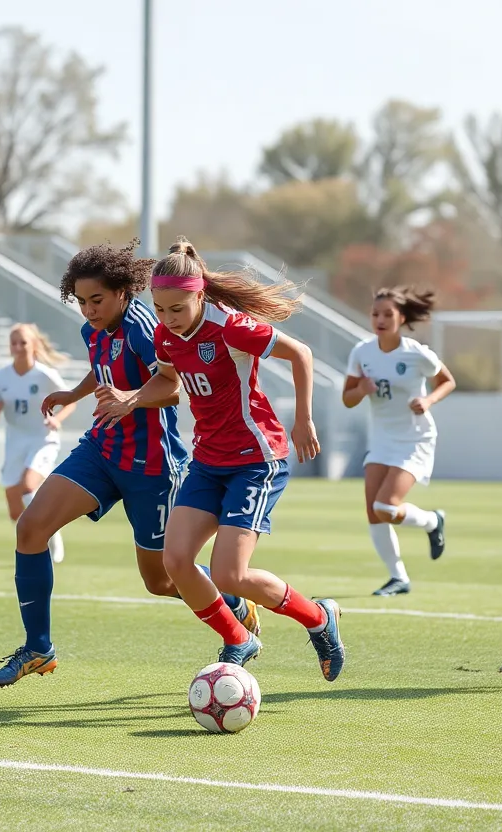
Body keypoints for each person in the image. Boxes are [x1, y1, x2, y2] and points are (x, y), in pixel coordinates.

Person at [0, 240, 258, 689]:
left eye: (97, 300)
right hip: (102, 450)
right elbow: (105, 367)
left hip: (152, 464)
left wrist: (131, 401)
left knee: (163, 580)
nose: (89, 310)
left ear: (123, 292)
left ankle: (231, 600)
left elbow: (175, 385)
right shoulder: (93, 329)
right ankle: (38, 648)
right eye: (82, 301)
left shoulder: (145, 327)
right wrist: (74, 394)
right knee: (30, 529)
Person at [94, 237, 345, 678]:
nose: (168, 320)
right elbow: (168, 381)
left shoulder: (230, 327)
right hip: (208, 462)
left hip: (255, 459)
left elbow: (301, 354)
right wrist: (133, 398)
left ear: (199, 295)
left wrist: (303, 420)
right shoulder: (164, 336)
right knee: (175, 562)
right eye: (160, 309)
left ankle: (319, 617)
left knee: (230, 574)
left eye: (177, 309)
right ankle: (238, 637)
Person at [342, 287, 456, 596]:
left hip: (414, 438)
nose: (380, 319)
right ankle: (398, 578)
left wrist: (428, 400)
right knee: (373, 510)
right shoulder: (362, 352)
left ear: (401, 318)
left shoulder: (415, 352)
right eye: (375, 314)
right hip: (381, 440)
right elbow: (347, 399)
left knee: (385, 506)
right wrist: (362, 390)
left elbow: (447, 381)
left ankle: (432, 521)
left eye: (387, 314)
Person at [0, 323, 75, 563]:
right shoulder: (0, 377)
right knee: (16, 513)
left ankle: (52, 534)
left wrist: (57, 419)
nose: (18, 347)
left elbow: (71, 401)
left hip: (42, 440)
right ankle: (46, 526)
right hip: (14, 444)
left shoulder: (45, 374)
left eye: (23, 342)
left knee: (28, 486)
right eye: (13, 342)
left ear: (34, 345)